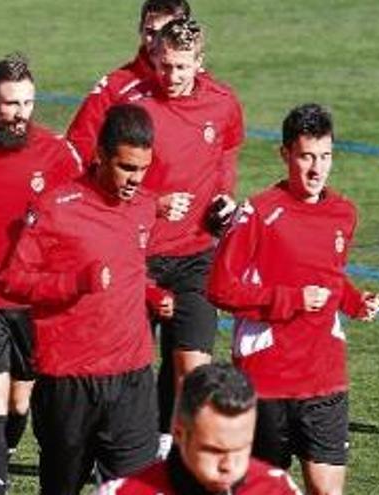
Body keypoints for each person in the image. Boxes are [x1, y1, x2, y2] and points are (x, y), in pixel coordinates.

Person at [207, 104, 379, 495]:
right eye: (306, 157)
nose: (317, 169)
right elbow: (220, 287)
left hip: (325, 379)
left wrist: (354, 302)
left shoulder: (343, 213)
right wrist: (292, 299)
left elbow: (330, 275)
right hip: (266, 380)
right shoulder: (258, 213)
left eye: (325, 156)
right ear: (285, 155)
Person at [0, 104, 161, 495]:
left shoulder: (144, 207)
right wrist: (74, 282)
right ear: (100, 155)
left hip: (132, 378)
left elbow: (128, 268)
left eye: (142, 169)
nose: (135, 179)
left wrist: (156, 294)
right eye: (126, 167)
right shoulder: (55, 208)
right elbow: (11, 281)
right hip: (69, 381)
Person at [0, 53, 81, 494]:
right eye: (10, 104)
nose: (19, 114)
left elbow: (80, 216)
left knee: (19, 401)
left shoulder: (58, 155)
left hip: (35, 300)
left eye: (27, 103)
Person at [134, 17, 245, 456]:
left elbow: (227, 153)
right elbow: (104, 179)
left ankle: (177, 455)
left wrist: (224, 199)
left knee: (192, 368)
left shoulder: (223, 104)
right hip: (139, 257)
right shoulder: (134, 108)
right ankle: (134, 452)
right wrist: (153, 202)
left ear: (200, 62)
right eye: (164, 65)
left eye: (182, 67)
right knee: (135, 371)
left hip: (197, 253)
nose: (172, 76)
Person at [100, 363, 301, 494]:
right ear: (178, 434)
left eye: (242, 448)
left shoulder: (277, 488)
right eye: (214, 450)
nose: (229, 465)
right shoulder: (126, 492)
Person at [66, 0, 190, 164]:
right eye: (150, 32)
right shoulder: (114, 88)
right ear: (140, 29)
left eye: (166, 33)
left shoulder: (207, 87)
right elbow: (78, 151)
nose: (156, 43)